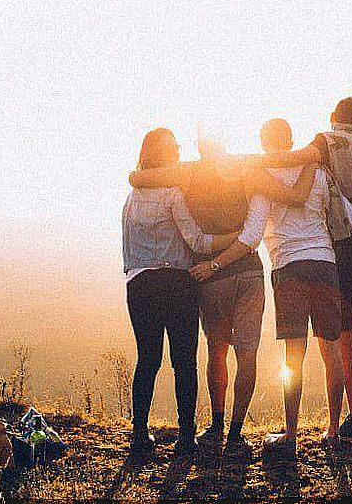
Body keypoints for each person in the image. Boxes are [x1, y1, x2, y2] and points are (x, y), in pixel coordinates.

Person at [128, 132, 315, 451]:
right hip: (243, 271)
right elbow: (247, 233)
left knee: (204, 352)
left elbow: (142, 182)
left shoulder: (181, 179)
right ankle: (230, 433)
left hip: (189, 278)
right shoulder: (244, 170)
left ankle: (207, 427)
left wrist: (212, 263)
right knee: (237, 354)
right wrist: (311, 158)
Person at [253, 119, 352, 452]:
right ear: (292, 140)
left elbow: (252, 229)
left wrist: (221, 256)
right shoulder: (320, 174)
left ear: (264, 143)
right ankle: (333, 430)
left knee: (294, 354)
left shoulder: (262, 177)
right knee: (331, 349)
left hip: (288, 268)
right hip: (325, 266)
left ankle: (290, 436)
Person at [122, 128, 238, 458]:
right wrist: (236, 238)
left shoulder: (131, 198)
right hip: (176, 283)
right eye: (175, 148)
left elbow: (128, 251)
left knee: (147, 360)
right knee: (184, 362)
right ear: (167, 156)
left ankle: (139, 434)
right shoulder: (173, 193)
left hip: (139, 284)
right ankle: (186, 437)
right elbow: (198, 242)